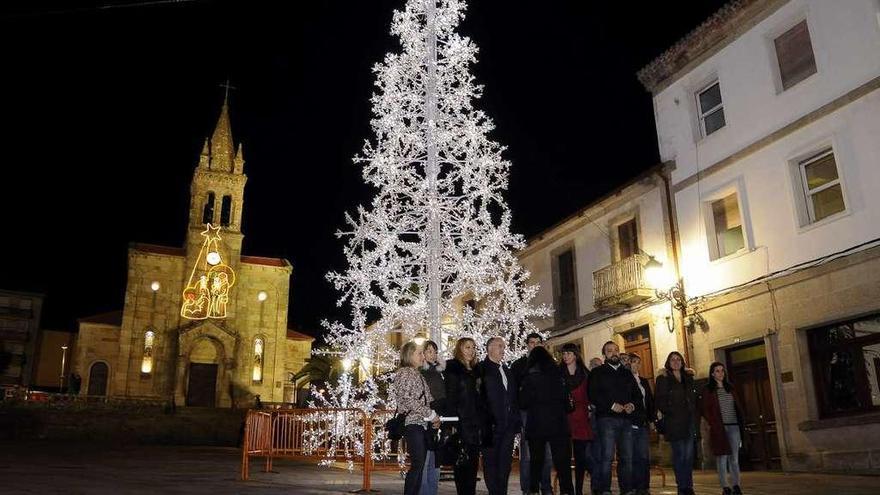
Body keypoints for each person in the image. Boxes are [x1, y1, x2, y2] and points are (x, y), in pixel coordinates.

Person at [588, 341, 642, 495]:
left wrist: (632, 404)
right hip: (606, 420)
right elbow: (593, 394)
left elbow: (637, 395)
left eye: (616, 350)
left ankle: (626, 489)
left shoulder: (627, 373)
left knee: (627, 456)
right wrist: (611, 405)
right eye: (609, 351)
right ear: (604, 354)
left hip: (626, 420)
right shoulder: (597, 373)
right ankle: (605, 489)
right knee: (606, 456)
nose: (614, 353)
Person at [519, 346, 574, 495]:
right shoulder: (559, 375)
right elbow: (567, 402)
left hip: (537, 424)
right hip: (558, 424)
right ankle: (567, 490)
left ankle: (534, 490)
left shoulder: (531, 377)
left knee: (536, 461)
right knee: (562, 462)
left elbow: (523, 402)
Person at [393, 341, 441, 495]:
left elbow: (428, 399)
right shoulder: (406, 373)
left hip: (421, 424)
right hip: (413, 424)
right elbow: (408, 400)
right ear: (409, 355)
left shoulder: (416, 373)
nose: (422, 356)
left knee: (419, 465)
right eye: (419, 353)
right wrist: (431, 414)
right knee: (418, 464)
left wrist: (433, 416)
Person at [511, 333, 553, 495]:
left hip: (545, 414)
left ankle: (546, 487)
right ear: (527, 345)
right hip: (526, 414)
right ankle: (528, 489)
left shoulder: (548, 365)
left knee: (547, 454)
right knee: (528, 454)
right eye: (531, 343)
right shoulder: (519, 365)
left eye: (538, 343)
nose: (534, 345)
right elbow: (514, 392)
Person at [479, 337, 521, 495]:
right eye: (499, 346)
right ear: (490, 348)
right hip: (490, 426)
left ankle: (501, 491)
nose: (503, 349)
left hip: (508, 426)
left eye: (504, 346)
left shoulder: (506, 370)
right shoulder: (482, 369)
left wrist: (515, 421)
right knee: (491, 463)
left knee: (505, 463)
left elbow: (513, 397)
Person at [655, 351, 698, 495]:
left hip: (688, 421)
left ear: (682, 362)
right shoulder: (663, 378)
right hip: (674, 422)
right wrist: (669, 412)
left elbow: (693, 398)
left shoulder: (688, 377)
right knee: (679, 456)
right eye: (673, 359)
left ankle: (689, 486)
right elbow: (659, 399)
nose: (675, 361)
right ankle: (682, 487)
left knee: (689, 456)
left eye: (678, 359)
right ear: (668, 362)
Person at [445, 337, 484, 495]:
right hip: (461, 422)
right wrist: (453, 422)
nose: (471, 350)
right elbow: (451, 397)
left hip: (475, 423)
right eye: (467, 347)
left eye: (473, 347)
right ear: (459, 349)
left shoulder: (476, 369)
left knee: (473, 465)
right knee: (462, 464)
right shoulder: (453, 367)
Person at [701, 362, 744, 495]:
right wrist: (713, 422)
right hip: (719, 427)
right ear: (712, 373)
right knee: (722, 457)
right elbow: (705, 409)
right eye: (717, 371)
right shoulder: (708, 389)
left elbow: (737, 406)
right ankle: (725, 486)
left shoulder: (730, 387)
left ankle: (736, 485)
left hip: (734, 426)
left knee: (734, 458)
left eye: (722, 371)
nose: (720, 373)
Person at [560, 343, 595, 495]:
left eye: (568, 353)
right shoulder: (558, 373)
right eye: (564, 354)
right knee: (563, 459)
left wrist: (590, 408)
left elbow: (591, 395)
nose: (565, 356)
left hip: (581, 418)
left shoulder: (585, 374)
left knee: (581, 459)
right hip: (563, 419)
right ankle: (566, 490)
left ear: (575, 355)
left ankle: (579, 490)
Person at [421, 340, 447, 495]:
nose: (433, 354)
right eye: (429, 350)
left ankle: (432, 491)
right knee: (425, 459)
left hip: (440, 417)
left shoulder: (440, 372)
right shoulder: (421, 371)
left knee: (435, 460)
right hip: (427, 417)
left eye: (435, 351)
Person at [628, 353, 655, 495]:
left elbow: (649, 401)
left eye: (639, 362)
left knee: (644, 456)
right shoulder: (625, 380)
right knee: (633, 456)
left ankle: (644, 485)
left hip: (643, 422)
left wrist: (651, 420)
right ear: (628, 363)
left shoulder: (644, 381)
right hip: (631, 423)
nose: (636, 365)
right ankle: (634, 486)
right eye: (633, 362)